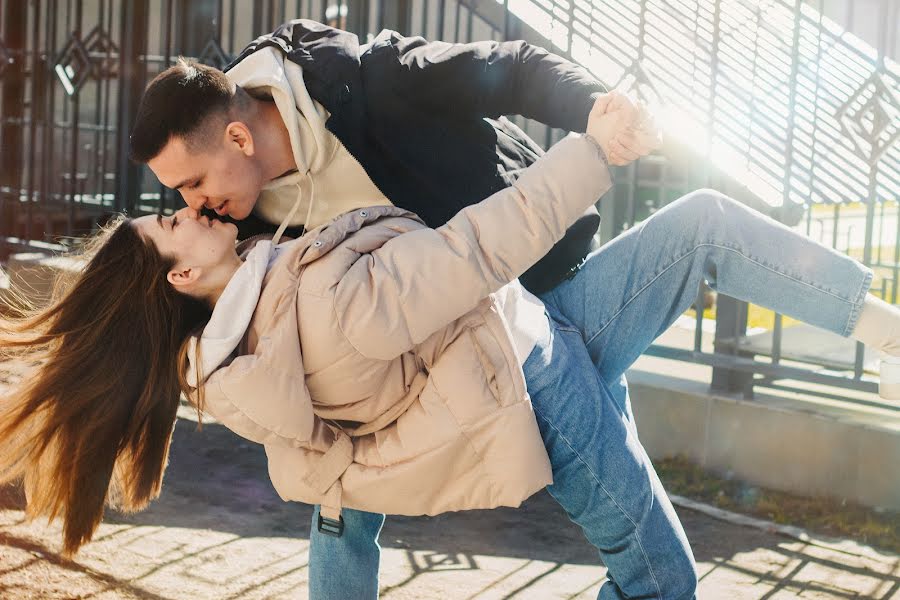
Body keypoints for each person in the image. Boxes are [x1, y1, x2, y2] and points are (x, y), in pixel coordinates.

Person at [123, 19, 900, 599]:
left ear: (236, 134)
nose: (197, 205)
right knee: (344, 496)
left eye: (191, 185)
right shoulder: (242, 220)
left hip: (547, 287)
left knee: (652, 563)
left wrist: (600, 111)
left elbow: (514, 68)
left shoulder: (366, 81)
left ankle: (888, 336)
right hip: (461, 362)